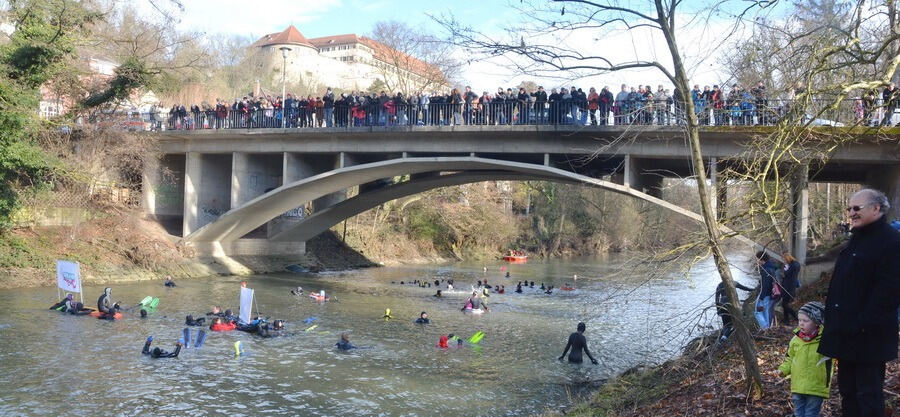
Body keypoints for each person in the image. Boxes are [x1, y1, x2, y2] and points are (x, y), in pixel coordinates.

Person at [819, 189, 899, 417]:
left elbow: (890, 292)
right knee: (848, 392)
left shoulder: (891, 242)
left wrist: (861, 323)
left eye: (857, 208)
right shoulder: (856, 239)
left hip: (869, 337)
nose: (851, 213)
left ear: (876, 208)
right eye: (849, 208)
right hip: (846, 334)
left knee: (868, 395)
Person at [778, 302, 833, 417]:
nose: (801, 324)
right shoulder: (795, 340)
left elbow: (834, 354)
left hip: (816, 386)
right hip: (798, 386)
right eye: (799, 320)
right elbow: (790, 358)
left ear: (817, 322)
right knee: (798, 413)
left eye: (805, 321)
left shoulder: (825, 340)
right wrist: (783, 369)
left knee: (810, 414)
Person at [754, 252, 779, 329]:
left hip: (764, 294)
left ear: (761, 259)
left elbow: (765, 284)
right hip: (770, 293)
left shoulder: (765, 269)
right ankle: (767, 328)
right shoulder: (772, 267)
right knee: (765, 312)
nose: (757, 261)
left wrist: (761, 296)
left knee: (757, 312)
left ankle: (765, 327)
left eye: (757, 259)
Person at [780, 252, 801, 325]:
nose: (783, 261)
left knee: (785, 304)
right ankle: (786, 320)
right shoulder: (795, 264)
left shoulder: (792, 265)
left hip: (789, 287)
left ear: (787, 258)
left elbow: (787, 274)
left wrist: (786, 268)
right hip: (788, 286)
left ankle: (795, 316)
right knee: (784, 303)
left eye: (784, 259)